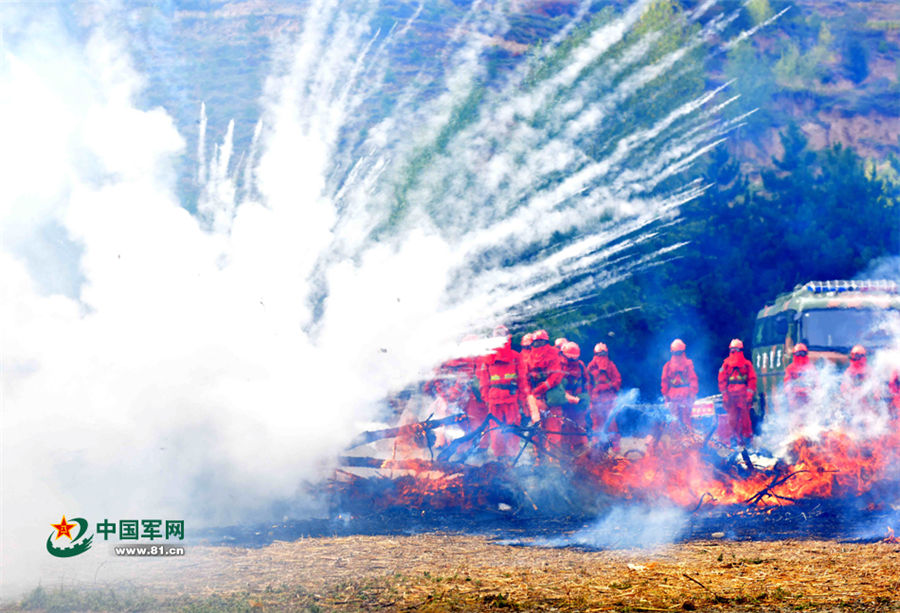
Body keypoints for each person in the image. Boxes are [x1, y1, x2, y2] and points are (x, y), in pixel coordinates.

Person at [477, 325, 530, 459]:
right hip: (504, 399)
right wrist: (523, 401)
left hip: (501, 400)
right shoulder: (511, 356)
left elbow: (483, 382)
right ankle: (506, 459)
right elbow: (522, 381)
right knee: (503, 430)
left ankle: (504, 459)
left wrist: (486, 398)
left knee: (501, 430)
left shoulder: (490, 358)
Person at [526, 329, 565, 459]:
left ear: (546, 342)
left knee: (553, 429)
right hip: (536, 398)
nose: (539, 345)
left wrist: (542, 387)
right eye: (536, 343)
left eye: (541, 342)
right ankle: (539, 460)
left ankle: (555, 461)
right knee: (537, 430)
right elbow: (525, 377)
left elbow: (556, 376)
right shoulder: (529, 357)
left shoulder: (554, 354)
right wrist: (531, 393)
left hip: (551, 396)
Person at [717, 338, 757, 446]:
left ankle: (747, 442)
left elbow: (752, 380)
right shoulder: (725, 365)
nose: (734, 353)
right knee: (732, 420)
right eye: (732, 351)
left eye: (736, 350)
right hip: (730, 397)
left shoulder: (747, 365)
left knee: (745, 421)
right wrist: (724, 394)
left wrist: (749, 394)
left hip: (743, 396)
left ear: (741, 351)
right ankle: (733, 442)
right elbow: (721, 380)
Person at [586, 342, 622, 446]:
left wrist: (609, 387)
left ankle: (615, 446)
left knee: (612, 423)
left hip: (609, 398)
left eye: (603, 354)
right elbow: (587, 384)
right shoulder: (591, 367)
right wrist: (590, 398)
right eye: (599, 354)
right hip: (596, 399)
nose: (601, 357)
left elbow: (618, 380)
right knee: (597, 423)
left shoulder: (611, 365)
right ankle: (596, 446)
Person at [661, 338, 698, 433]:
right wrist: (693, 394)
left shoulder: (668, 366)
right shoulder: (687, 364)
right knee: (681, 420)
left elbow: (664, 382)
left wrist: (665, 397)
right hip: (682, 395)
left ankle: (680, 442)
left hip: (676, 395)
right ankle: (685, 441)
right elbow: (693, 380)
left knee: (676, 419)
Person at [559, 341, 589, 452]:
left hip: (577, 401)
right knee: (563, 426)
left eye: (574, 358)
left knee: (579, 426)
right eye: (569, 358)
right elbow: (557, 386)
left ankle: (581, 450)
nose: (572, 361)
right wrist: (571, 398)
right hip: (562, 401)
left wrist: (585, 398)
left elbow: (587, 382)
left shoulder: (580, 365)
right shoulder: (558, 365)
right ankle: (563, 452)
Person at [783, 343, 814, 410]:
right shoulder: (790, 368)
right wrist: (790, 394)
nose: (800, 356)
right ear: (794, 354)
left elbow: (816, 383)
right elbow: (787, 383)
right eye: (798, 353)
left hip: (807, 398)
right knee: (796, 417)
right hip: (795, 398)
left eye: (802, 353)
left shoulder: (811, 368)